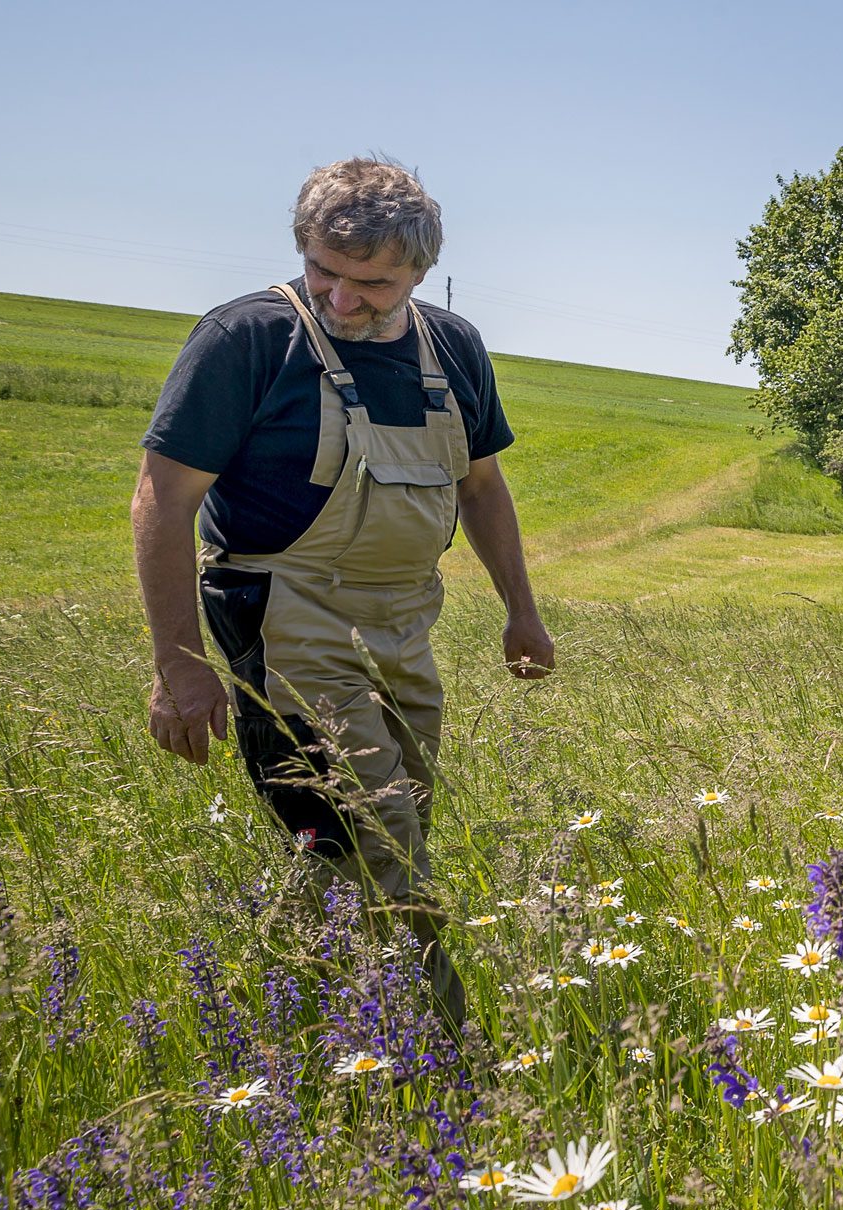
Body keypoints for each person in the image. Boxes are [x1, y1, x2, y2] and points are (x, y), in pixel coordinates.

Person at [131, 156, 554, 1034]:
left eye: (372, 283)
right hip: (285, 615)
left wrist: (522, 609)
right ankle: (445, 1045)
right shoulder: (249, 338)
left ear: (420, 273)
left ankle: (294, 1016)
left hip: (406, 619)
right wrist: (178, 664)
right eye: (323, 270)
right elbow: (162, 500)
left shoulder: (453, 347)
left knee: (374, 833)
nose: (340, 297)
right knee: (379, 832)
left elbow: (481, 487)